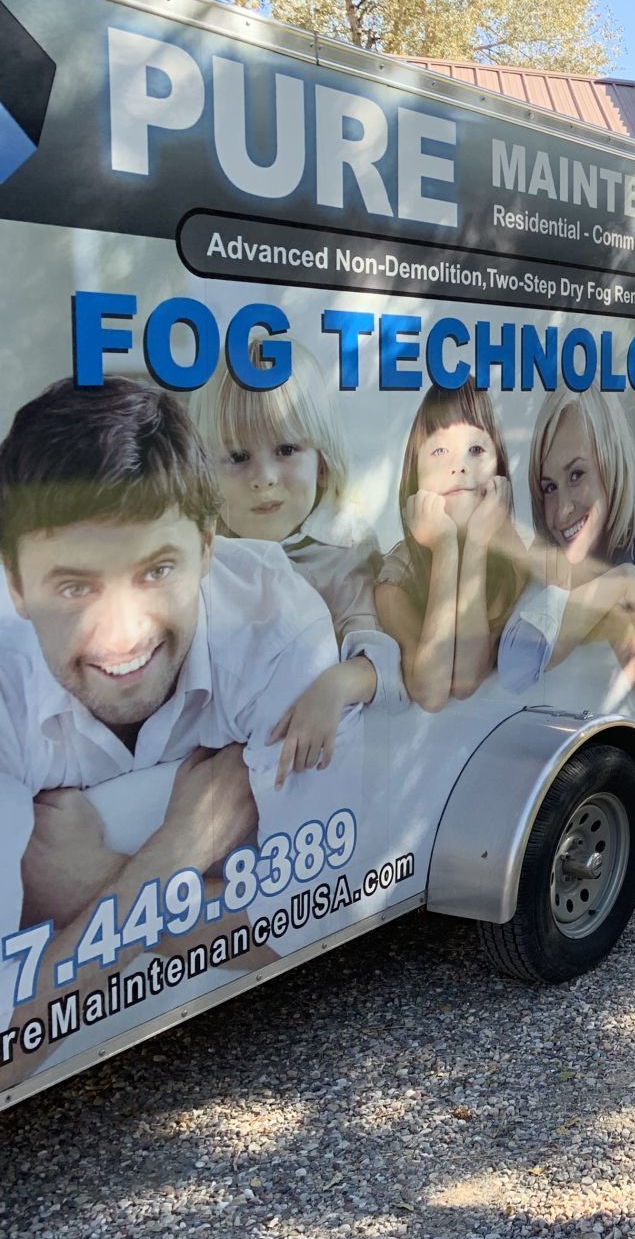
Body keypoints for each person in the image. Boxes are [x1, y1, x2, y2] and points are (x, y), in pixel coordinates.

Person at [0, 376, 346, 1078]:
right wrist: (190, 841)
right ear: (14, 584)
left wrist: (79, 885)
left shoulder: (279, 631)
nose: (122, 637)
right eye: (74, 588)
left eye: (157, 570)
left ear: (209, 548)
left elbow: (315, 927)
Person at [193, 342, 406, 786]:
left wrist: (334, 687)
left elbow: (382, 663)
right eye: (237, 457)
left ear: (322, 464)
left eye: (286, 449)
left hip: (294, 759)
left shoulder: (341, 548)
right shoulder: (204, 550)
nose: (264, 477)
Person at [497, 386, 635, 695]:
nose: (562, 512)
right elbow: (515, 664)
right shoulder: (552, 547)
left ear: (610, 460)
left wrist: (612, 624)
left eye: (576, 475)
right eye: (549, 487)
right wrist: (615, 585)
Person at [373, 383, 524, 713]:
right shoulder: (395, 578)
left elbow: (468, 677)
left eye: (475, 450)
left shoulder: (513, 550)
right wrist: (445, 551)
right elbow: (432, 692)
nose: (459, 468)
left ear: (499, 469)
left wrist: (478, 543)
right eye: (439, 451)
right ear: (415, 475)